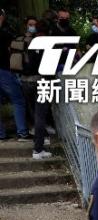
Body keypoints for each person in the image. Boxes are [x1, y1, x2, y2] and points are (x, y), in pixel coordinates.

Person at [0, 9, 30, 142]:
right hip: (4, 71)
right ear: (1, 17)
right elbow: (14, 50)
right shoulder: (5, 35)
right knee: (18, 100)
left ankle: (1, 134)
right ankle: (22, 133)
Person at [26, 19, 52, 160]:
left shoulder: (31, 43)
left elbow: (29, 65)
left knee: (36, 114)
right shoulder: (48, 44)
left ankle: (40, 143)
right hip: (43, 81)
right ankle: (38, 149)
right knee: (41, 115)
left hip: (29, 82)